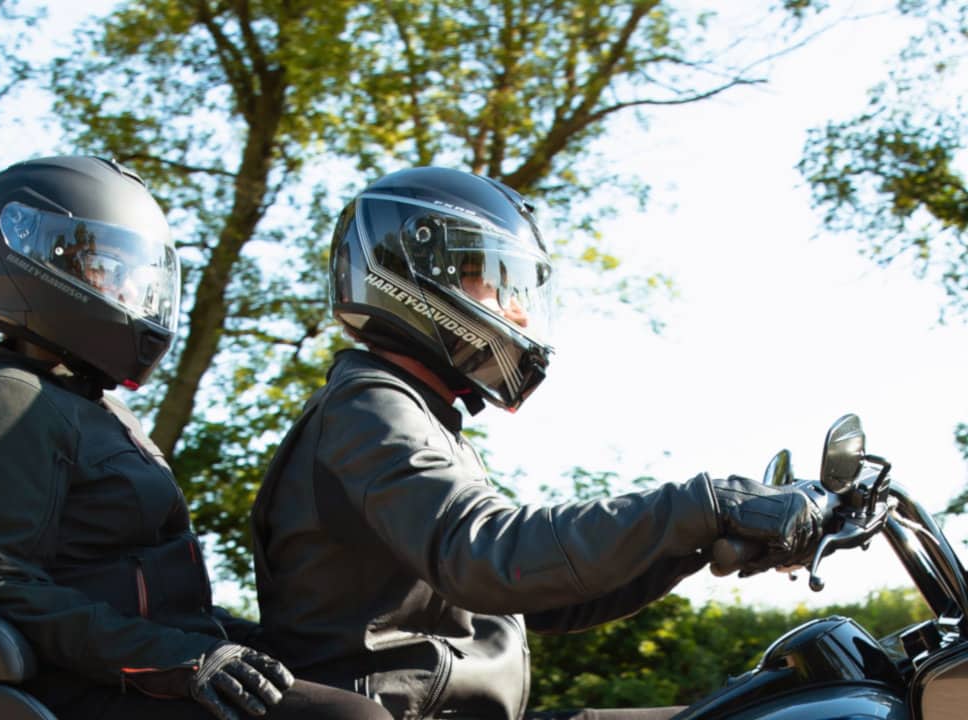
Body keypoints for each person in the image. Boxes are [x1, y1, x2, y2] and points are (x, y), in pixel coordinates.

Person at [249, 167, 824, 720]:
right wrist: (706, 505)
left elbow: (543, 594)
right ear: (418, 273)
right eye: (495, 283)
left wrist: (702, 541)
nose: (519, 312)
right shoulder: (367, 406)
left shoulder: (419, 418)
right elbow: (488, 555)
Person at [0, 155, 390, 720]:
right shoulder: (6, 403)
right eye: (107, 267)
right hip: (91, 685)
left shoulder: (97, 410)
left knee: (370, 688)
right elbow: (5, 587)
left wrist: (259, 644)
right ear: (36, 260)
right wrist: (184, 660)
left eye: (133, 272)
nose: (128, 288)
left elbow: (162, 593)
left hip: (152, 669)